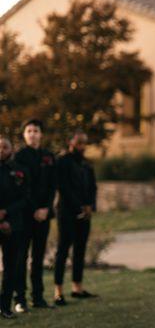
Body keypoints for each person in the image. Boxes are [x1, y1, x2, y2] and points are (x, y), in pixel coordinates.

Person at [14, 119, 57, 311]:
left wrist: (46, 208)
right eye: (29, 131)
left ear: (41, 134)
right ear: (24, 134)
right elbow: (22, 188)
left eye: (36, 130)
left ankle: (38, 297)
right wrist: (34, 210)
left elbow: (52, 186)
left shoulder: (48, 156)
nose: (32, 134)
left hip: (44, 214)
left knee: (38, 257)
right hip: (25, 215)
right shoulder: (19, 157)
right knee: (21, 257)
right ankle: (20, 299)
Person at [54, 131, 98, 306]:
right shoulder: (62, 162)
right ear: (70, 142)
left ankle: (77, 288)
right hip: (67, 212)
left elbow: (93, 187)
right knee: (63, 251)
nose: (82, 146)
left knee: (80, 250)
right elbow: (63, 187)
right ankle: (58, 291)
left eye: (84, 143)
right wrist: (79, 205)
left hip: (85, 214)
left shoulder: (87, 164)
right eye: (79, 142)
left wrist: (90, 206)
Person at [0, 137, 29, 319]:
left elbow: (25, 197)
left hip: (13, 224)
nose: (1, 150)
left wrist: (6, 213)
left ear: (11, 150)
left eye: (5, 147)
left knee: (11, 267)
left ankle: (5, 305)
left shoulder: (18, 171)